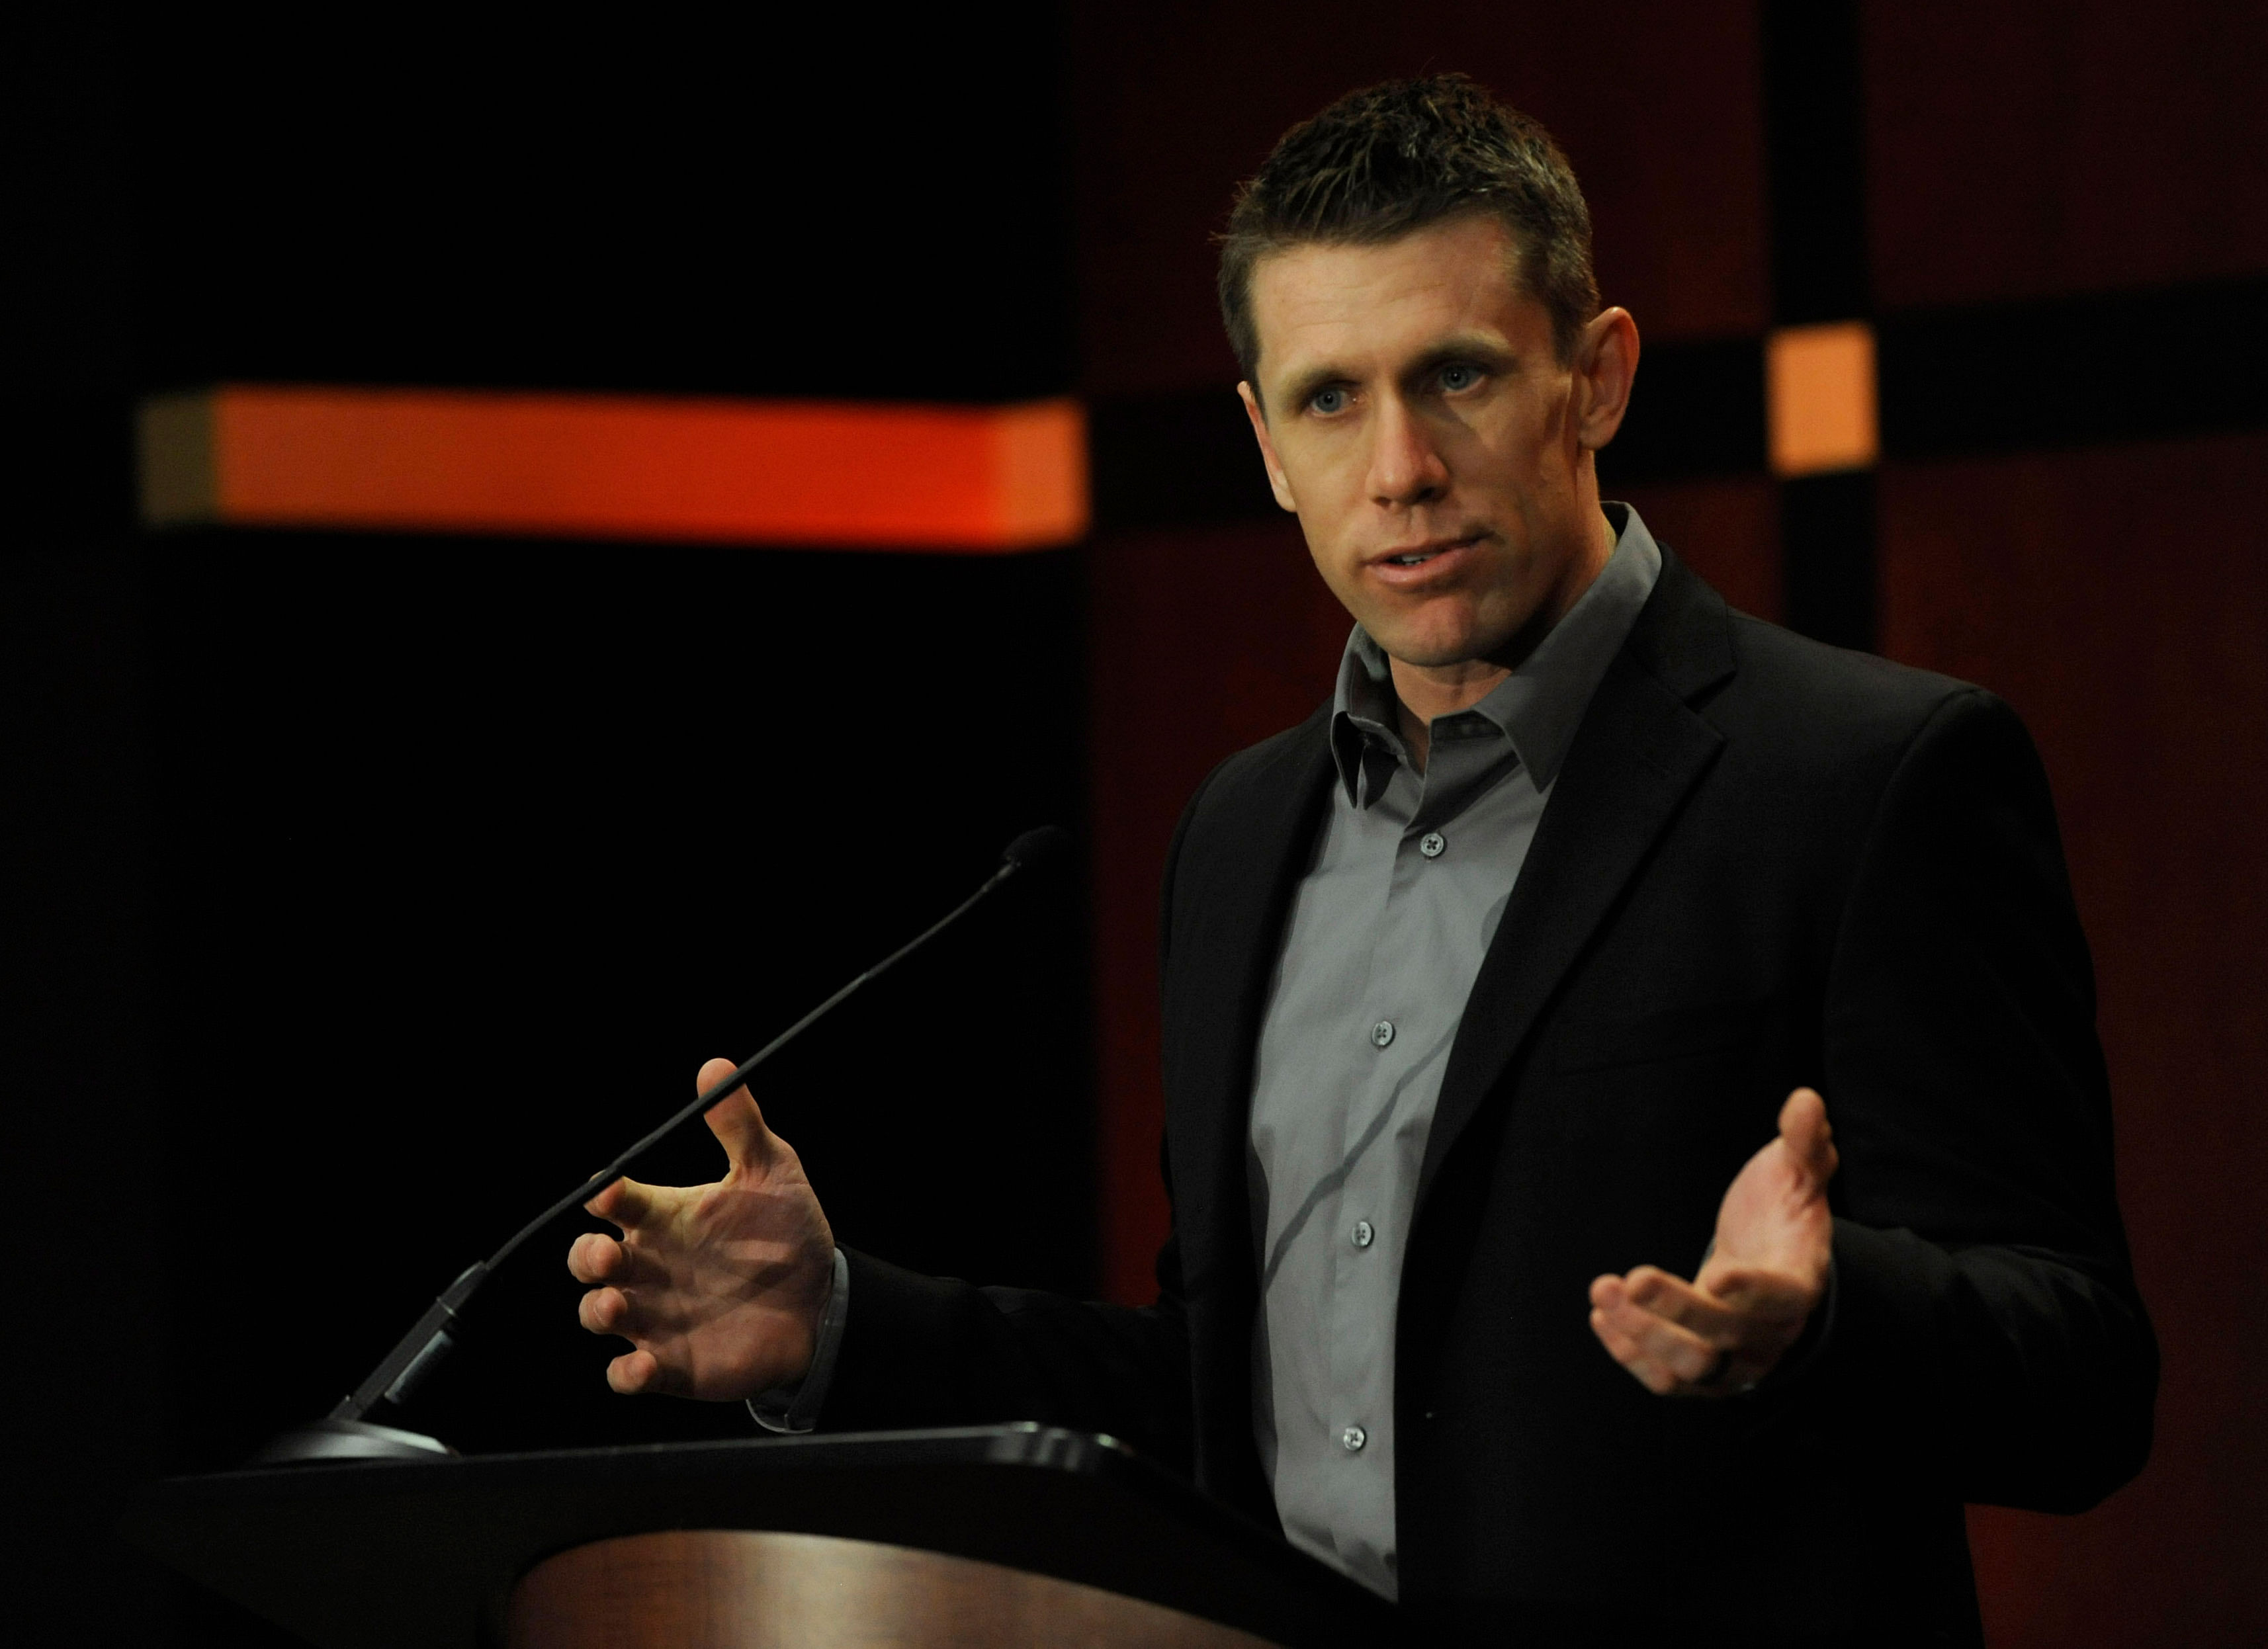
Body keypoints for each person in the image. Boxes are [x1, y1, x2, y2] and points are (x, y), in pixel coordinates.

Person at [566, 76, 2154, 1644]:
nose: (1398, 466)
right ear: (1264, 440)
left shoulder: (1867, 775)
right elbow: (1229, 1391)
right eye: (1330, 397)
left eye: (1455, 375)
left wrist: (1827, 1314)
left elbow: (2083, 1379)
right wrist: (838, 1324)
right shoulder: (1241, 835)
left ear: (1594, 380)